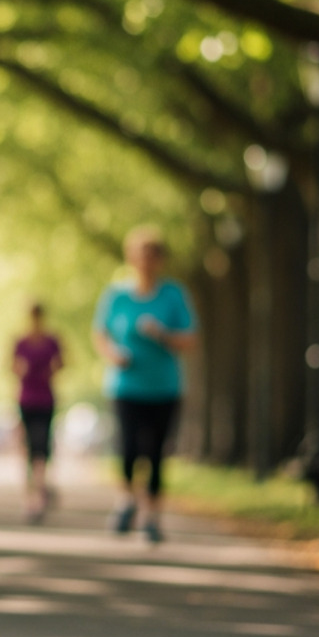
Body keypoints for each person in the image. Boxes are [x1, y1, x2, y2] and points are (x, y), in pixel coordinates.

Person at [92, 226, 196, 544]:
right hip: (125, 387)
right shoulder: (116, 295)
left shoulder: (174, 295)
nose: (146, 262)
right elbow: (100, 334)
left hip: (164, 387)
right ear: (131, 258)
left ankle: (151, 517)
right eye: (141, 256)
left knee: (155, 454)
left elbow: (190, 340)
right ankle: (126, 501)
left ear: (161, 260)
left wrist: (162, 334)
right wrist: (113, 355)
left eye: (153, 256)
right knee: (128, 449)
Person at [12, 302, 64, 524]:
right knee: (27, 445)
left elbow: (61, 364)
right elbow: (12, 367)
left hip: (46, 398)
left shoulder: (52, 340)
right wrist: (20, 369)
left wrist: (53, 369)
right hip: (26, 399)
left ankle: (40, 489)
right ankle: (29, 491)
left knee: (42, 443)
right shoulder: (20, 342)